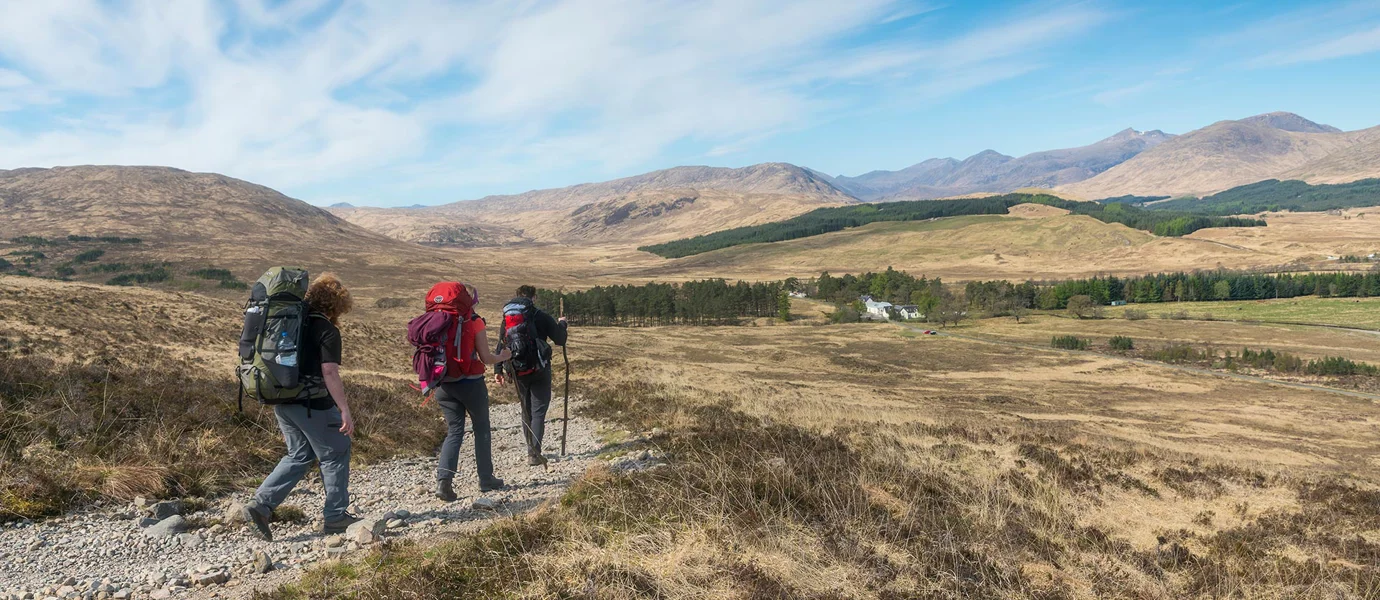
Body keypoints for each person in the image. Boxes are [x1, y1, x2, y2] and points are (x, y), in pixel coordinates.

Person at [243, 273, 358, 542]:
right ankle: (335, 516)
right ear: (337, 305)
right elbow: (329, 371)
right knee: (336, 451)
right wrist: (344, 409)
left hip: (282, 400)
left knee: (300, 454)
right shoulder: (327, 329)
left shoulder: (292, 322)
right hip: (312, 404)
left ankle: (261, 506)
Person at [432, 283, 511, 502]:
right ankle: (486, 479)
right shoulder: (474, 322)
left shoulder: (439, 320)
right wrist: (503, 356)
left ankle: (444, 482)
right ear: (471, 300)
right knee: (482, 428)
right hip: (471, 384)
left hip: (444, 385)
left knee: (455, 431)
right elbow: (486, 358)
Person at [495, 285, 568, 466]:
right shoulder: (540, 316)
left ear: (517, 296)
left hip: (517, 371)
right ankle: (534, 453)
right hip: (540, 370)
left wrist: (498, 370)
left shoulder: (508, 319)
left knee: (526, 411)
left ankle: (531, 449)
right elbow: (560, 339)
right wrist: (563, 324)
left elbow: (501, 344)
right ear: (533, 298)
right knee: (538, 412)